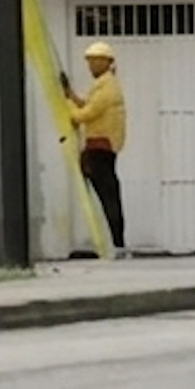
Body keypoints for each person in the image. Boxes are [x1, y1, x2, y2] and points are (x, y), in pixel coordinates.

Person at [63, 41, 128, 255]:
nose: (90, 66)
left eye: (93, 62)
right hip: (101, 147)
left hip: (100, 148)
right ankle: (114, 242)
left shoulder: (107, 88)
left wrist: (67, 104)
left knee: (107, 196)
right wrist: (71, 95)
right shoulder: (103, 85)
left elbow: (85, 115)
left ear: (105, 63)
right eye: (89, 62)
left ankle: (116, 243)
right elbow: (87, 105)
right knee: (109, 193)